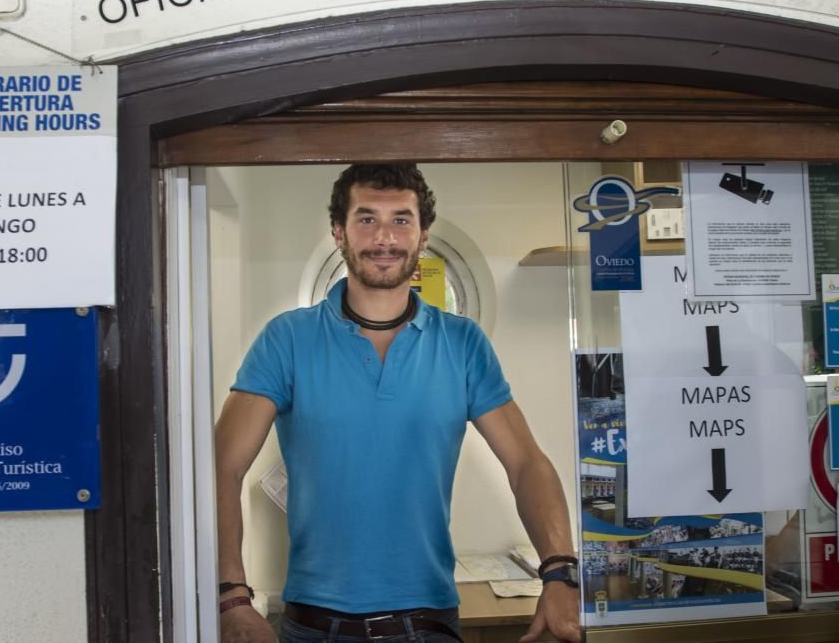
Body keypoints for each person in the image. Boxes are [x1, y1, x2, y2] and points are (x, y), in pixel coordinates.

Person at [215, 163, 581, 643]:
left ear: (423, 235)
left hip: (427, 623)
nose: (384, 236)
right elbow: (221, 467)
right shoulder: (286, 338)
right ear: (338, 233)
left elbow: (526, 462)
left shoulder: (462, 343)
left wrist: (560, 572)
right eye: (366, 219)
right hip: (312, 625)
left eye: (401, 220)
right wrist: (231, 595)